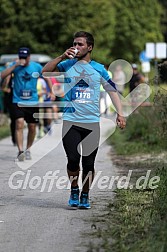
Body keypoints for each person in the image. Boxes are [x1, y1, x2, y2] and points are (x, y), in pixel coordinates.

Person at [42, 31, 126, 209]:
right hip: (71, 121)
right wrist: (61, 56)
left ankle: (85, 194)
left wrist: (120, 113)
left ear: (90, 47)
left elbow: (112, 91)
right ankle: (74, 189)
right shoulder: (67, 64)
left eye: (80, 44)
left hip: (91, 123)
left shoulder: (99, 68)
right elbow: (45, 72)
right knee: (73, 159)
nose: (76, 47)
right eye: (74, 43)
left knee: (88, 164)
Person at [2, 47, 54, 161]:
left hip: (32, 101)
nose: (23, 60)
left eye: (25, 58)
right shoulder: (15, 66)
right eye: (21, 57)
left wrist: (51, 91)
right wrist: (14, 66)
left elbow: (46, 78)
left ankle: (28, 149)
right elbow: (2, 76)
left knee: (32, 126)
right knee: (19, 123)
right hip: (17, 101)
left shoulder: (36, 66)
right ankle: (20, 151)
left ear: (29, 57)